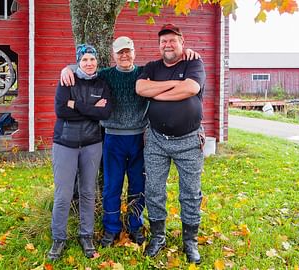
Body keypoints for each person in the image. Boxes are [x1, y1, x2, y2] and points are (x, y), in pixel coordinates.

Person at [60, 37, 201, 248]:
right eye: (120, 52)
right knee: (111, 185)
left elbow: (172, 65)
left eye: (128, 52)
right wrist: (67, 68)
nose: (124, 56)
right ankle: (111, 228)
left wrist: (189, 52)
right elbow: (85, 70)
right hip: (112, 138)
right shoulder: (105, 75)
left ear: (134, 52)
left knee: (138, 185)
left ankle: (135, 225)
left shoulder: (144, 73)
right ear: (113, 54)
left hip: (139, 138)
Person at [135, 24, 206, 264]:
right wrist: (174, 85)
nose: (168, 45)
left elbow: (191, 88)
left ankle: (190, 241)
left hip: (189, 140)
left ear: (181, 42)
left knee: (190, 193)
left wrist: (157, 92)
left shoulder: (193, 63)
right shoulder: (152, 67)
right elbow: (140, 88)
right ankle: (157, 236)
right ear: (159, 45)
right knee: (154, 189)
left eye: (172, 41)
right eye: (163, 41)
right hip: (156, 140)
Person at [48, 44, 112, 260]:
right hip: (65, 143)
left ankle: (86, 235)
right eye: (84, 60)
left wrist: (77, 105)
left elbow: (105, 112)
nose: (89, 63)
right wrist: (91, 108)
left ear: (97, 61)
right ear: (78, 62)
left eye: (92, 59)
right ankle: (58, 238)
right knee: (63, 194)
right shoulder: (67, 79)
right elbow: (61, 110)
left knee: (88, 192)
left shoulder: (102, 83)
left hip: (92, 144)